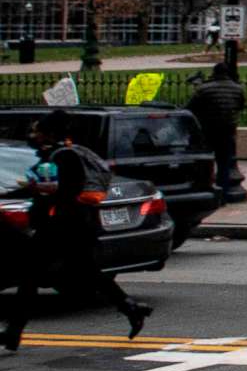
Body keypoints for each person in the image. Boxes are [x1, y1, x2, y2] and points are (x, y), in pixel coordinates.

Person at [2, 140, 151, 351]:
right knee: (81, 272)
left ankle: (13, 332)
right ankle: (131, 308)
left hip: (62, 226)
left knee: (34, 277)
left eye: (38, 130)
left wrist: (36, 189)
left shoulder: (63, 156)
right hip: (68, 225)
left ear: (49, 133)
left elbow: (62, 190)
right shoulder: (61, 154)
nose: (34, 134)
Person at [187, 64, 247, 203]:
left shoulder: (204, 89)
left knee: (206, 161)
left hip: (208, 128)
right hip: (228, 130)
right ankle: (224, 193)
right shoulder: (237, 88)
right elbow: (241, 105)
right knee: (224, 164)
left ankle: (209, 190)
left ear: (214, 73)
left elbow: (191, 106)